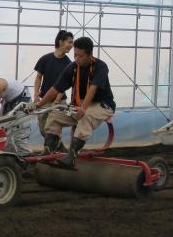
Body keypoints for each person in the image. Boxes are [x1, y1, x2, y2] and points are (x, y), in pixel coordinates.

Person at [35, 36, 115, 167]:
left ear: (90, 55)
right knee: (55, 115)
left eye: (80, 56)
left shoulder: (100, 66)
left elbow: (93, 88)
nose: (76, 58)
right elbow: (55, 88)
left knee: (86, 116)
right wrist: (38, 105)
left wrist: (83, 108)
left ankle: (71, 157)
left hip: (102, 105)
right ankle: (48, 151)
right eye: (75, 55)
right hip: (79, 105)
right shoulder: (72, 67)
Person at [33, 30, 73, 144]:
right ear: (61, 42)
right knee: (43, 129)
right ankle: (58, 147)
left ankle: (52, 151)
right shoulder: (45, 59)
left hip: (59, 101)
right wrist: (36, 94)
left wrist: (57, 100)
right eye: (69, 42)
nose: (71, 46)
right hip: (44, 100)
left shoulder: (69, 64)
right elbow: (38, 77)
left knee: (53, 129)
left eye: (72, 43)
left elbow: (64, 85)